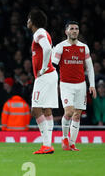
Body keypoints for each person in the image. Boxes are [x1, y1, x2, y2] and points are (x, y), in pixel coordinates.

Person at [52, 21, 96, 151]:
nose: (75, 31)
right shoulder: (61, 47)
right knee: (69, 112)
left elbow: (90, 68)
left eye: (76, 29)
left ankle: (72, 143)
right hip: (66, 84)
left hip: (81, 85)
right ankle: (64, 137)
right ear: (66, 32)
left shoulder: (84, 47)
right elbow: (53, 66)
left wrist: (92, 85)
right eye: (72, 29)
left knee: (77, 115)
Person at [27, 9, 58, 154]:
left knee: (35, 109)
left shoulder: (39, 33)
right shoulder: (44, 32)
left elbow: (47, 49)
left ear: (33, 21)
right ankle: (48, 145)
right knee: (46, 109)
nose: (27, 21)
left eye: (29, 19)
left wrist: (44, 68)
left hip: (45, 76)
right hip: (51, 75)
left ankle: (46, 144)